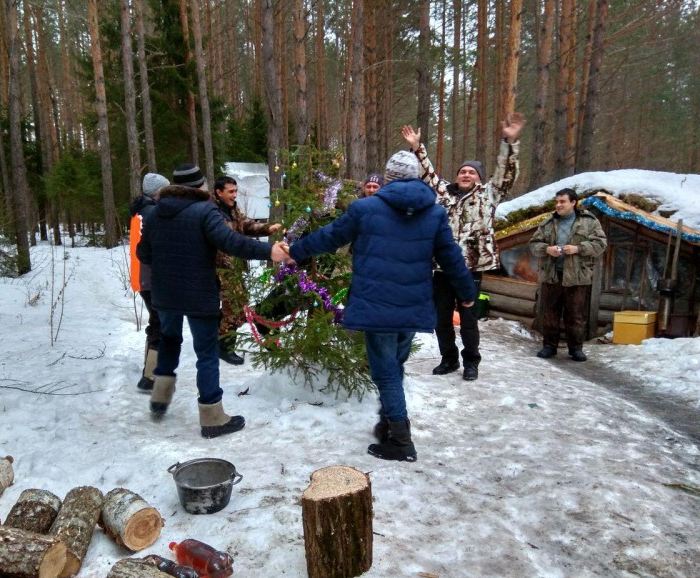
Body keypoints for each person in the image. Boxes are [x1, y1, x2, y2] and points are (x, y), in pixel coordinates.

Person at [288, 151, 477, 462]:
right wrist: (467, 293)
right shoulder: (434, 213)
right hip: (411, 306)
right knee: (394, 368)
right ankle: (388, 423)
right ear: (416, 177)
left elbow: (329, 237)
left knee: (386, 373)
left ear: (388, 177)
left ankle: (401, 441)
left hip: (377, 305)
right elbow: (451, 257)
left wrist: (295, 251)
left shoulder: (365, 209)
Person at [137, 164, 290, 438]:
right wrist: (270, 251)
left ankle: (160, 399)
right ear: (201, 186)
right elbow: (231, 242)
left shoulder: (155, 211)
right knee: (206, 353)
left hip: (165, 295)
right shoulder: (204, 210)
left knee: (169, 342)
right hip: (199, 293)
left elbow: (143, 253)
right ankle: (212, 417)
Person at [401, 113, 525, 381]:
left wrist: (510, 143)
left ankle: (472, 362)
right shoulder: (443, 192)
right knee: (441, 318)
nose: (466, 174)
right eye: (462, 171)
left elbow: (506, 174)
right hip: (443, 267)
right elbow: (427, 174)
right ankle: (449, 359)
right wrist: (417, 148)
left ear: (479, 178)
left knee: (468, 319)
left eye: (471, 172)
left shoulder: (488, 195)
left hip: (471, 266)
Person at [529, 188, 607, 361]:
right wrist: (547, 249)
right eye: (557, 202)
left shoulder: (589, 222)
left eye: (562, 201)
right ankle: (549, 346)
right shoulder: (548, 223)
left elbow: (600, 244)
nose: (558, 205)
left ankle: (576, 348)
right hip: (552, 275)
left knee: (575, 314)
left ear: (573, 202)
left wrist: (578, 248)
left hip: (577, 276)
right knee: (550, 313)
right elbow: (534, 244)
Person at [212, 176, 282, 365]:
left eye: (236, 191)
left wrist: (267, 228)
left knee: (237, 304)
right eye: (231, 192)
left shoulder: (233, 209)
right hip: (219, 267)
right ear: (219, 192)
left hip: (233, 266)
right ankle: (223, 346)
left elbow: (247, 225)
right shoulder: (212, 212)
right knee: (234, 307)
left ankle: (217, 337)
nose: (234, 195)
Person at [129, 172, 170, 391]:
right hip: (153, 278)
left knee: (156, 322)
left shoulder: (140, 212)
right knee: (160, 325)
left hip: (144, 278)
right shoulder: (153, 213)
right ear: (158, 192)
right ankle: (150, 377)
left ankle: (149, 369)